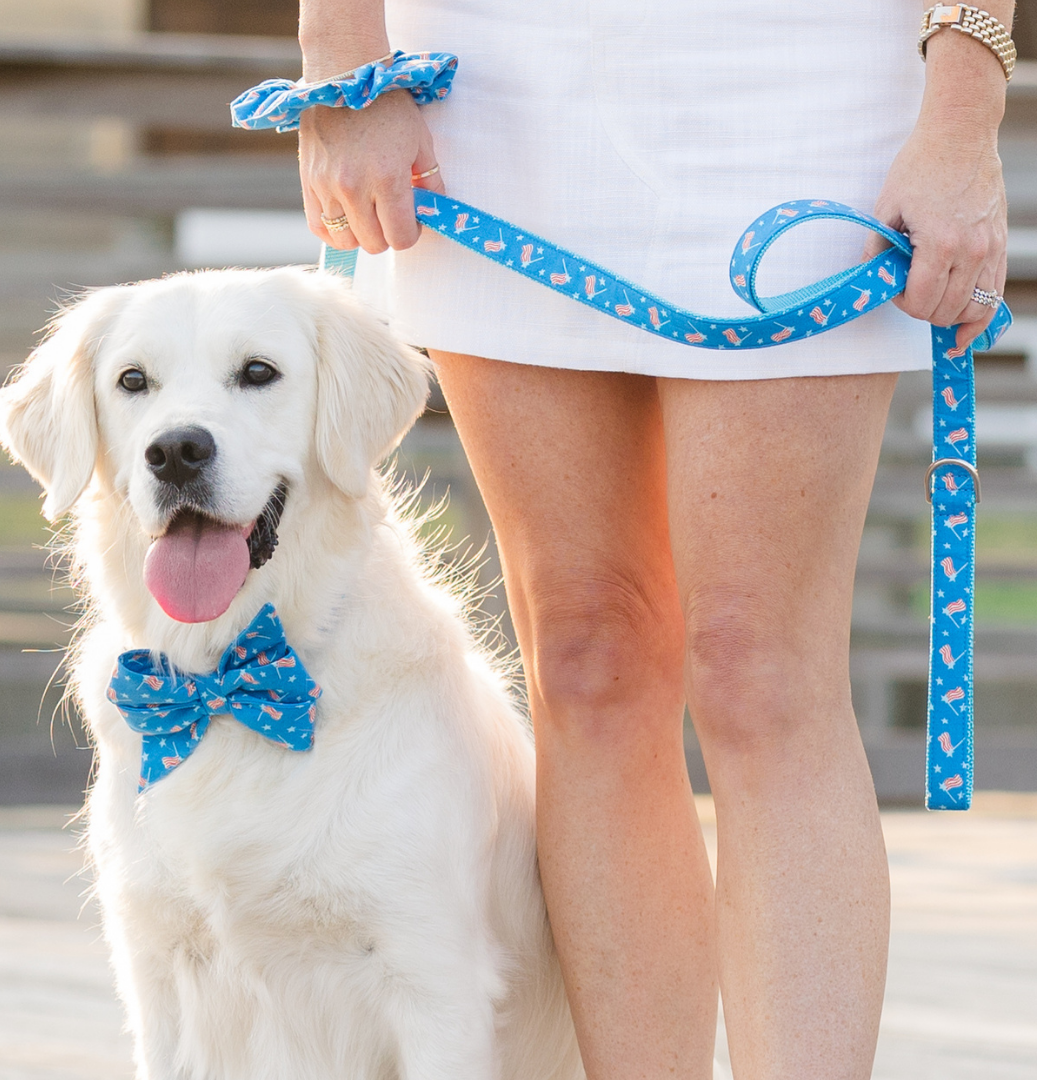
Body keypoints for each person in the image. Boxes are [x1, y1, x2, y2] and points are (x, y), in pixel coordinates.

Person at [295, 1, 1013, 1077]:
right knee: (586, 659)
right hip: (498, 92)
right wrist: (341, 61)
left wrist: (966, 107)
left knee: (758, 670)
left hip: (806, 80)